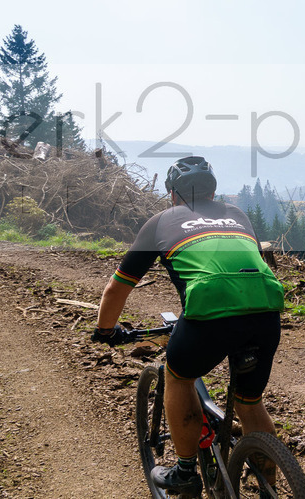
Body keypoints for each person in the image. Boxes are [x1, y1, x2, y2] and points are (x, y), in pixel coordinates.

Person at [92, 156, 285, 495]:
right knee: (250, 402)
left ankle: (184, 472)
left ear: (173, 194)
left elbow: (117, 287)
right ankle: (270, 484)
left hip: (209, 314)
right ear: (212, 190)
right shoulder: (237, 216)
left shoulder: (161, 222)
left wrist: (105, 330)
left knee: (178, 376)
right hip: (267, 311)